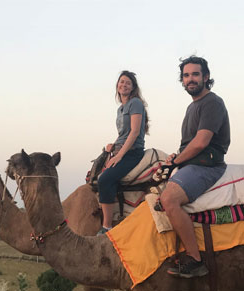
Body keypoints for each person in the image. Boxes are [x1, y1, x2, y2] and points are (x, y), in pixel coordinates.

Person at [159, 56, 230, 278]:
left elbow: (201, 142)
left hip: (208, 165)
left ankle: (195, 259)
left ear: (206, 77)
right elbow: (188, 145)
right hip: (193, 162)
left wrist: (175, 162)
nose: (190, 79)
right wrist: (176, 156)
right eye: (186, 75)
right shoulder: (192, 107)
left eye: (195, 74)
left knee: (168, 199)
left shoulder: (212, 103)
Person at [97, 70, 149, 235]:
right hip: (120, 148)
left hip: (132, 152)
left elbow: (134, 132)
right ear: (117, 85)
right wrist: (113, 145)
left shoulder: (135, 103)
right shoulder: (121, 109)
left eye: (128, 82)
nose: (124, 85)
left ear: (133, 87)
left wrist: (119, 156)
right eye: (121, 82)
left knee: (104, 179)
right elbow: (124, 134)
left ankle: (107, 227)